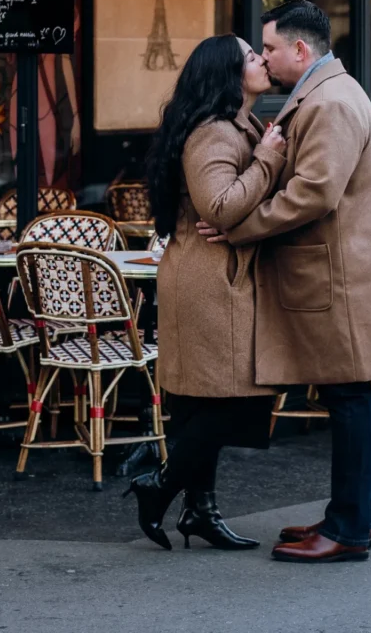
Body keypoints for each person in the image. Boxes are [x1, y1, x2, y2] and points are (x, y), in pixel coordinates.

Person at [198, 1, 371, 563]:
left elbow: (313, 193)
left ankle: (349, 530)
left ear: (300, 51)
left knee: (350, 400)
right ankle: (344, 517)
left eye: (271, 48)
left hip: (342, 281)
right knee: (347, 397)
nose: (266, 57)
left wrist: (238, 228)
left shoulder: (328, 101)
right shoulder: (327, 93)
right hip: (338, 277)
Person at [124, 33, 286, 551]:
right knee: (229, 399)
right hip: (210, 283)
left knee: (201, 402)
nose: (261, 59)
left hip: (211, 277)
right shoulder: (216, 133)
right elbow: (219, 206)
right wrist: (265, 160)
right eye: (250, 56)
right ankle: (160, 487)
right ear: (227, 73)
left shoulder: (238, 123)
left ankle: (201, 511)